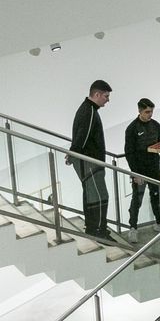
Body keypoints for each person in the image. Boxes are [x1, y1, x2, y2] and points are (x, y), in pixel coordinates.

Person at [68, 79, 115, 241]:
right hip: (90, 162)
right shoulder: (88, 111)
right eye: (106, 96)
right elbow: (83, 135)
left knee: (91, 194)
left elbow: (82, 136)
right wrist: (73, 153)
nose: (108, 100)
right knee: (100, 196)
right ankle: (99, 231)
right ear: (97, 94)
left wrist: (72, 153)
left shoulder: (88, 109)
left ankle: (92, 228)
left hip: (89, 161)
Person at [124, 98, 160, 243]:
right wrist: (135, 173)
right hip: (139, 170)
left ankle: (159, 223)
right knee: (137, 199)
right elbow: (129, 152)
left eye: (151, 111)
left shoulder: (156, 125)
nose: (150, 114)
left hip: (153, 167)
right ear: (139, 111)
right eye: (147, 112)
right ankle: (133, 228)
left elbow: (158, 143)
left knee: (155, 196)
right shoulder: (132, 128)